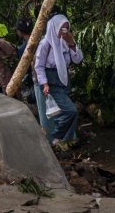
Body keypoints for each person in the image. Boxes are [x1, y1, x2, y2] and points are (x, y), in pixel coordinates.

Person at [34, 14, 83, 146]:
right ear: (54, 28)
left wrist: (72, 43)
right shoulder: (45, 43)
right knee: (70, 110)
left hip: (63, 79)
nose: (64, 32)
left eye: (67, 29)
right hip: (51, 81)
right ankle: (57, 137)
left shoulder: (65, 42)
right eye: (62, 29)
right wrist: (44, 83)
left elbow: (77, 59)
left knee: (63, 111)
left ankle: (64, 141)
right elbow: (39, 66)